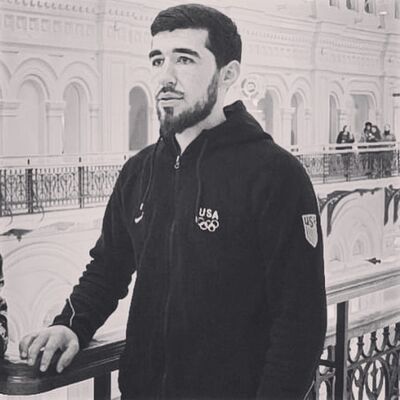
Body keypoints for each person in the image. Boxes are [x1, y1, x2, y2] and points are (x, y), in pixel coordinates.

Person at [19, 4, 327, 399]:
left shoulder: (275, 174)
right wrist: (72, 324)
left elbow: (299, 318)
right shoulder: (140, 171)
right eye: (157, 60)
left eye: (184, 59)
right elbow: (108, 266)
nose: (165, 76)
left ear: (228, 73)